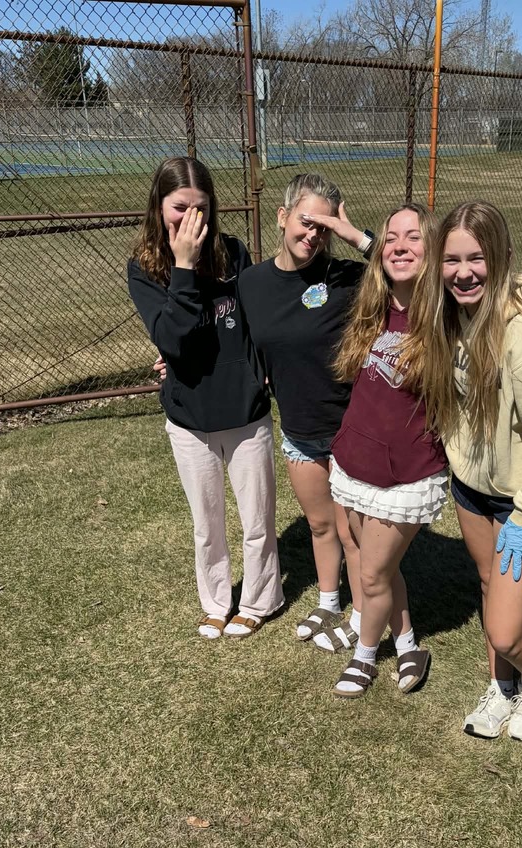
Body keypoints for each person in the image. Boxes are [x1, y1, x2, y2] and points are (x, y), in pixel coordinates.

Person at [410, 200, 522, 740]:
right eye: (451, 260)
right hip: (471, 490)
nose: (463, 273)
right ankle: (501, 688)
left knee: (507, 632)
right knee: (488, 585)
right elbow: (387, 265)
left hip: (520, 499)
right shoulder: (451, 315)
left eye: (477, 258)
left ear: (503, 256)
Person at [127, 156, 283, 640]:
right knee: (206, 523)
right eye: (179, 208)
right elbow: (173, 339)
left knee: (258, 519)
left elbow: (257, 321)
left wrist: (259, 374)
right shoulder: (144, 268)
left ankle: (260, 599)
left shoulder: (234, 253)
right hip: (189, 416)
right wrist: (183, 267)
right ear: (158, 207)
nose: (191, 220)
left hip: (243, 410)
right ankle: (216, 602)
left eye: (202, 208)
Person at [327, 204, 457, 698]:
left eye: (414, 238)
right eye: (391, 237)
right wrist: (354, 235)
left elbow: (480, 286)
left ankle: (364, 658)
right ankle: (407, 643)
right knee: (377, 563)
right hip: (356, 458)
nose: (400, 245)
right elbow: (384, 259)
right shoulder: (375, 307)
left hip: (406, 473)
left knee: (372, 571)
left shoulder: (442, 312)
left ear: (436, 253)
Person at [238, 173, 373, 649]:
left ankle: (362, 616)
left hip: (348, 430)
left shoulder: (346, 277)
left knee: (351, 531)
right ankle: (328, 601)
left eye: (324, 226)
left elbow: (411, 274)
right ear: (282, 217)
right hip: (298, 430)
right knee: (320, 525)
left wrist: (355, 237)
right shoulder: (251, 284)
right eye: (305, 221)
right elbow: (232, 340)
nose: (312, 235)